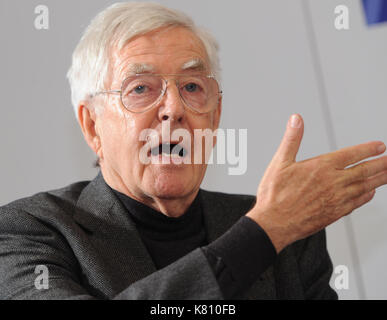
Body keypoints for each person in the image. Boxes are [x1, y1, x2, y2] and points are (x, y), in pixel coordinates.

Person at [1, 2, 387, 300]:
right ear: (91, 125)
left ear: (216, 114)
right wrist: (264, 233)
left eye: (191, 87)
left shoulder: (291, 235)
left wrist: (273, 229)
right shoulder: (28, 231)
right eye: (140, 88)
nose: (173, 108)